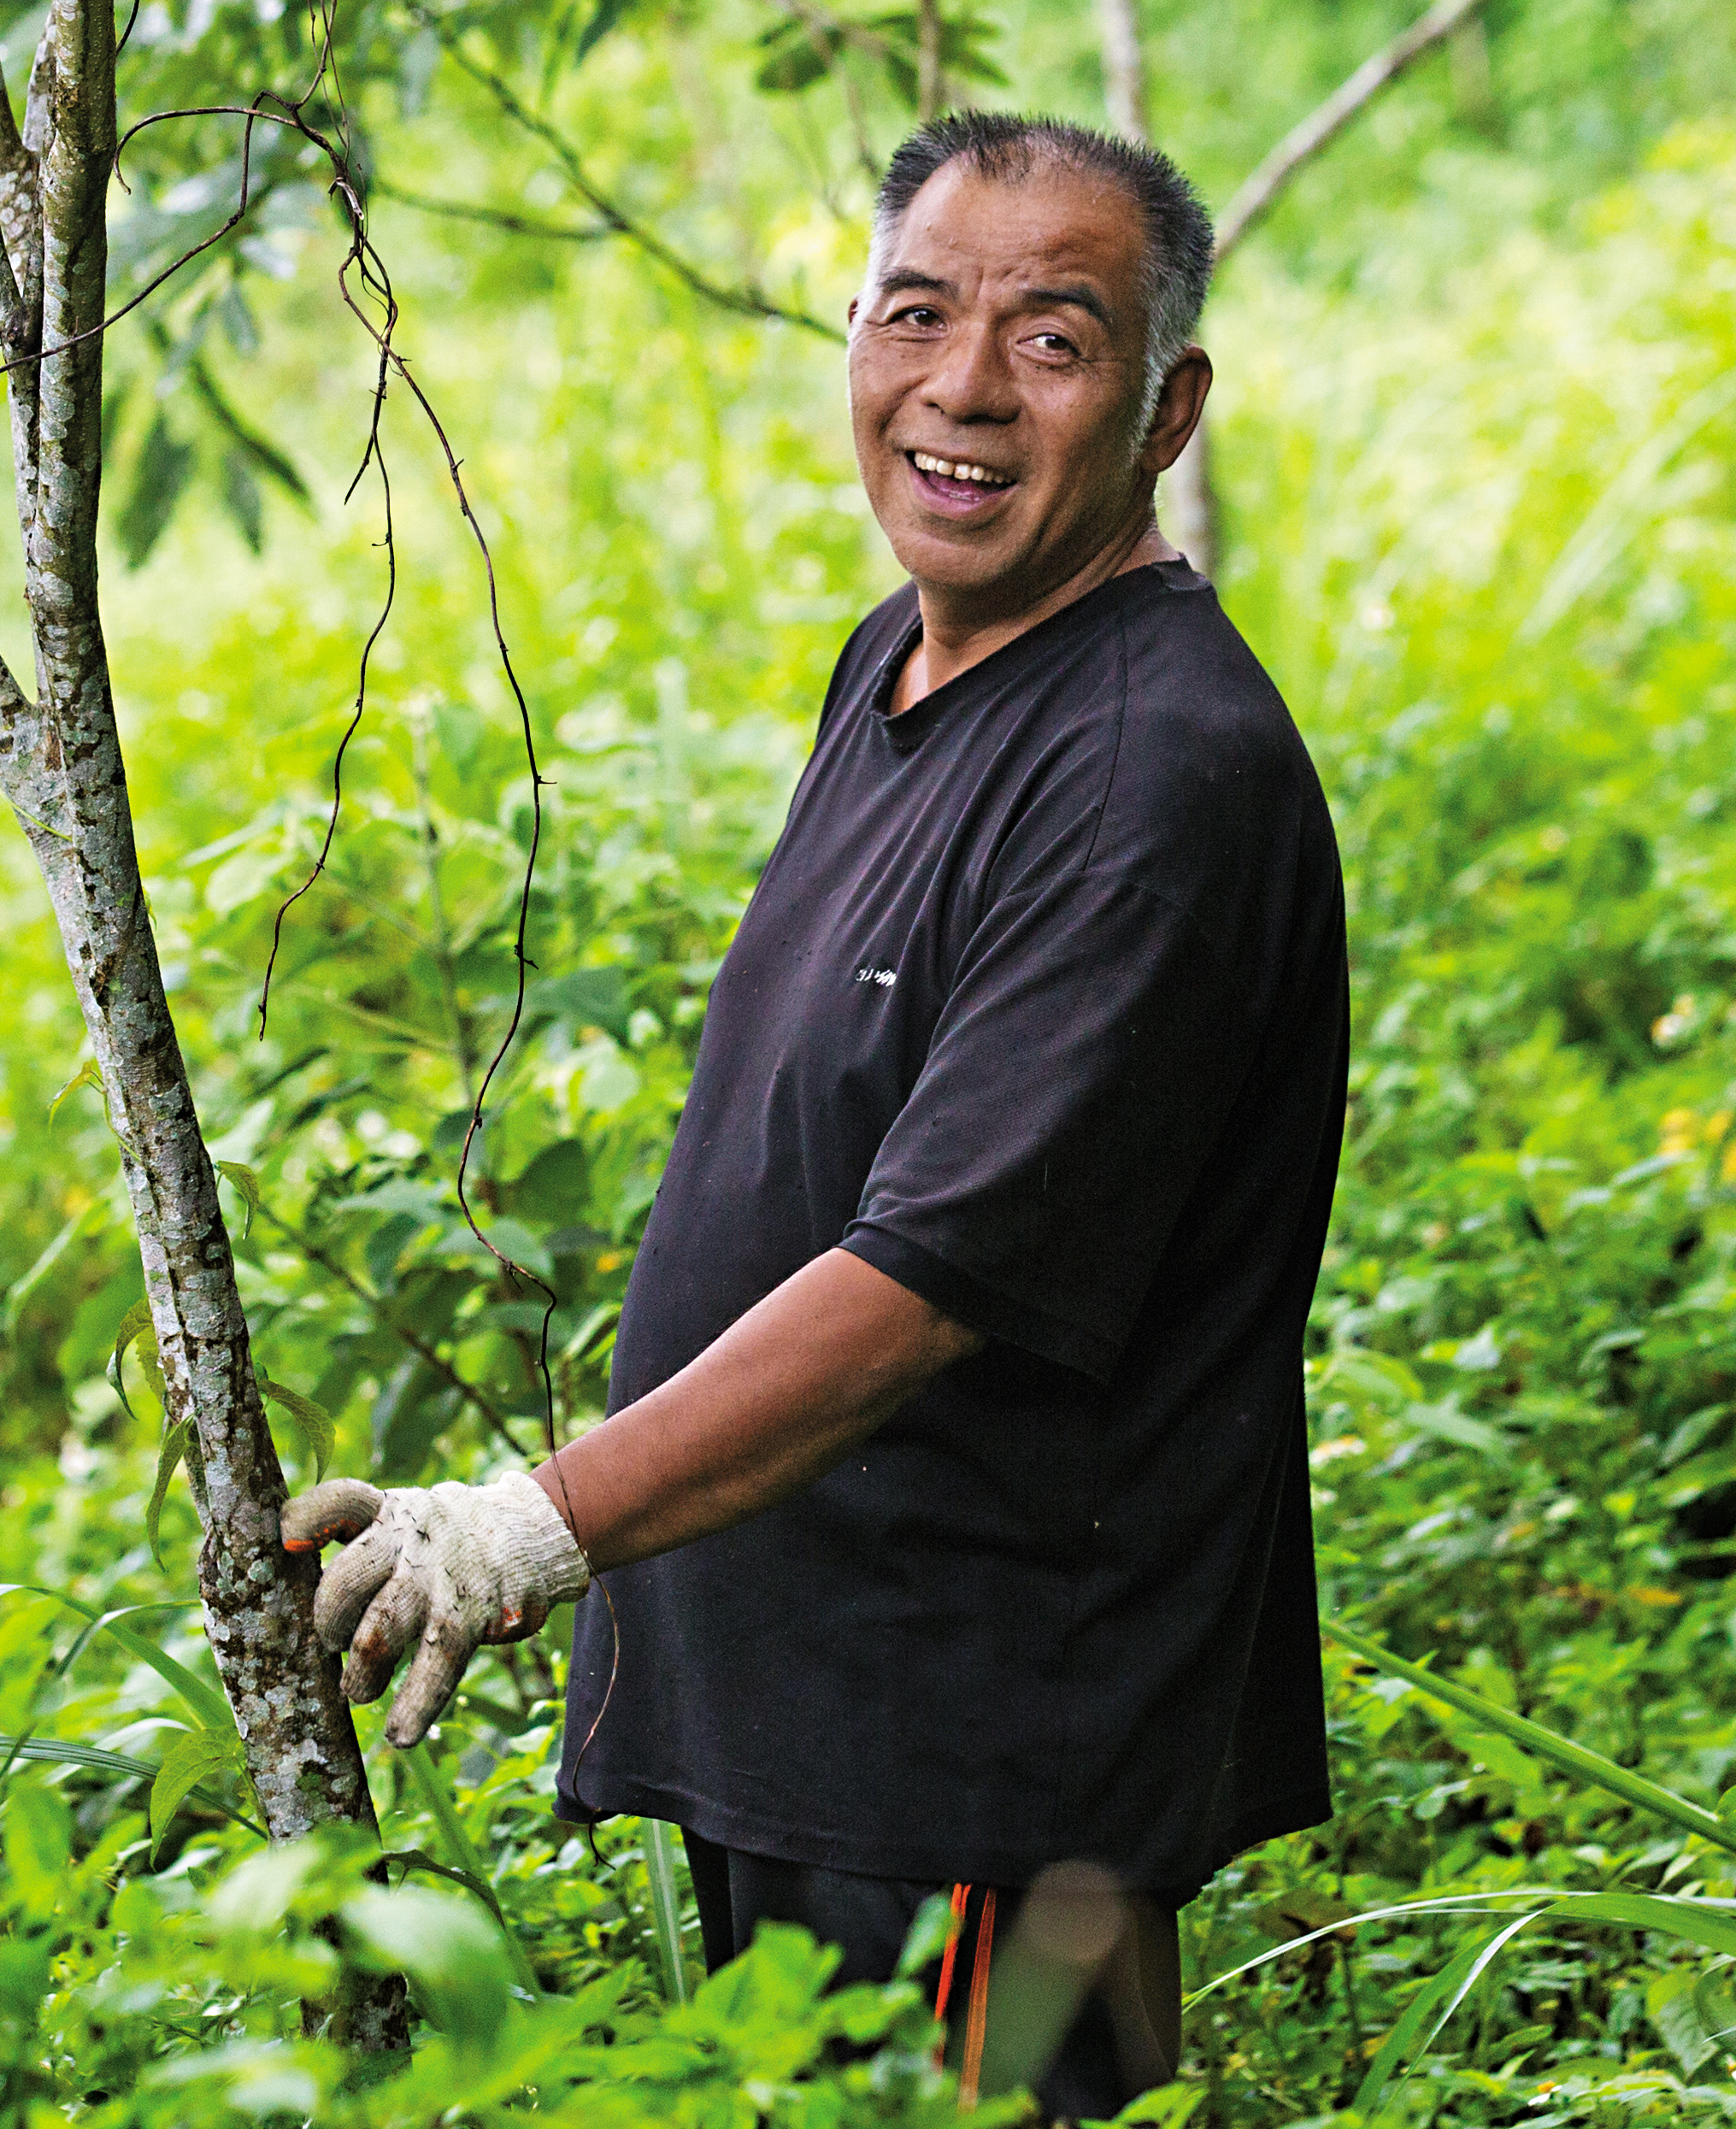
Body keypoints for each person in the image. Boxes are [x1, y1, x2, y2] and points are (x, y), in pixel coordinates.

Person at [284, 109, 1353, 2119]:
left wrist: (529, 1526)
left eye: (1052, 338)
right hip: (825, 1719)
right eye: (915, 314)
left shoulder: (1150, 775)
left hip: (988, 1759)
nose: (960, 388)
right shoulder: (904, 663)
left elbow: (927, 1279)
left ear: (1165, 405)